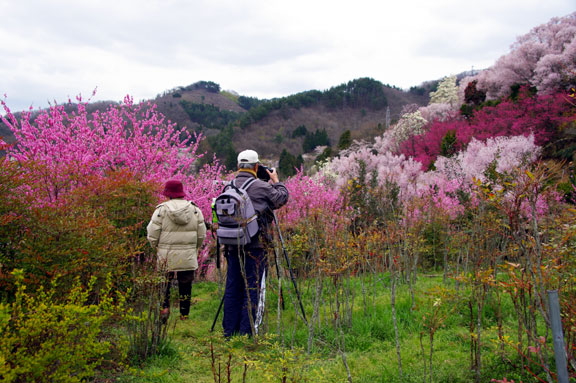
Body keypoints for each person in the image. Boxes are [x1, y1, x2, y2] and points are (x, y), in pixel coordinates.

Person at [222, 149, 289, 337]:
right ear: (256, 166)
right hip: (256, 245)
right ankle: (247, 331)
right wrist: (276, 181)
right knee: (253, 287)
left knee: (233, 286)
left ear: (238, 166)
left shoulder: (229, 186)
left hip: (232, 243)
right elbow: (281, 198)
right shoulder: (261, 187)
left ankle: (229, 331)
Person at [147, 180, 206, 320]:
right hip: (187, 253)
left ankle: (164, 308)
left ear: (168, 194)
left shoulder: (161, 210)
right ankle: (184, 314)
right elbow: (201, 234)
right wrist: (194, 247)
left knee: (164, 282)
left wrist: (156, 247)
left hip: (165, 253)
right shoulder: (195, 210)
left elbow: (152, 233)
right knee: (185, 283)